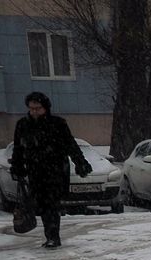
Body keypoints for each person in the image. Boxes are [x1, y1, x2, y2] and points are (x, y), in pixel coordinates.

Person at [10, 91, 92, 249]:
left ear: (45, 108)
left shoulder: (57, 124)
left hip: (55, 170)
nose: (34, 112)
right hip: (35, 171)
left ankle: (53, 236)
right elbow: (18, 148)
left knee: (51, 204)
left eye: (37, 108)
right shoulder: (23, 125)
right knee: (42, 204)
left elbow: (70, 144)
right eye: (31, 108)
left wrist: (81, 163)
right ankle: (51, 234)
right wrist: (17, 166)